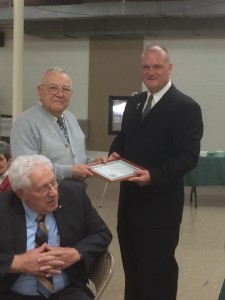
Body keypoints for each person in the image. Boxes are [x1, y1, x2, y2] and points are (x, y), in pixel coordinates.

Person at [108, 44, 203, 300]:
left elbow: (188, 157)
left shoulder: (186, 107)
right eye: (146, 66)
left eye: (157, 66)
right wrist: (113, 155)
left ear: (169, 68)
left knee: (158, 277)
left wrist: (154, 176)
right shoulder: (135, 102)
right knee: (134, 275)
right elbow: (123, 139)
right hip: (128, 209)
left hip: (160, 212)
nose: (151, 72)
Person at [0, 154, 112, 300]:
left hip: (66, 291)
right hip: (15, 294)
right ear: (21, 193)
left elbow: (102, 233)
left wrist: (76, 252)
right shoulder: (4, 209)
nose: (53, 193)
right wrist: (18, 263)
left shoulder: (74, 195)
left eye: (54, 182)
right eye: (43, 188)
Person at [10, 67, 105, 182]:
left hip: (77, 193)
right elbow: (25, 169)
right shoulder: (25, 123)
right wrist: (69, 172)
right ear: (40, 91)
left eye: (66, 89)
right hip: (45, 196)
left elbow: (76, 158)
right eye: (53, 88)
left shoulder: (70, 118)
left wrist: (93, 163)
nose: (60, 94)